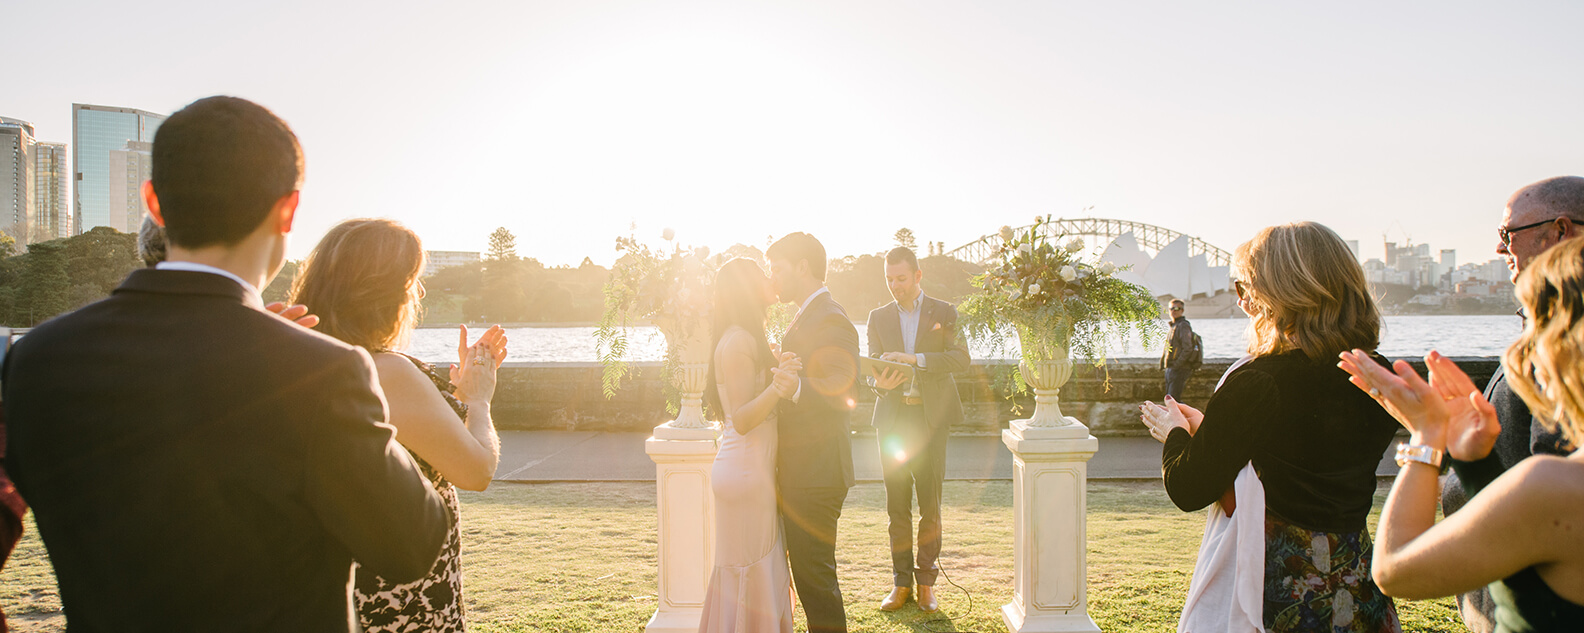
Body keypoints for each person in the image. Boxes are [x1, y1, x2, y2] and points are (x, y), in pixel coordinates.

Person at [0, 96, 451, 631]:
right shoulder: (322, 372)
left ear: (155, 203)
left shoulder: (35, 358)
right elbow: (414, 543)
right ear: (288, 210)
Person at [1139, 221, 1402, 632]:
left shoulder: (1258, 381)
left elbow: (1189, 487)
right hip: (1359, 580)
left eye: (1245, 286)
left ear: (1282, 291)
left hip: (1282, 590)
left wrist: (1175, 432)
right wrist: (1214, 428)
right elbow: (1302, 452)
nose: (1241, 299)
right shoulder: (1376, 373)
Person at [1338, 236, 1584, 633]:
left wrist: (1426, 436)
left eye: (1534, 321)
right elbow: (1532, 563)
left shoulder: (1556, 487)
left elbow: (1395, 571)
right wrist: (1475, 464)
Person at [289, 218, 508, 633]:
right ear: (383, 294)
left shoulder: (309, 360)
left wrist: (455, 395)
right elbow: (476, 470)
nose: (418, 294)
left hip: (344, 583)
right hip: (403, 594)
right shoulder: (384, 371)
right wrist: (479, 399)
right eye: (413, 283)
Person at [1438, 175, 1584, 632]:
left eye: (1507, 234)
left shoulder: (1569, 349)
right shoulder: (1545, 327)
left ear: (1560, 232)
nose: (1501, 250)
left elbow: (1395, 570)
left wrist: (1424, 443)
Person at [698, 258, 802, 632]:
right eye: (761, 274)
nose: (770, 277)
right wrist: (779, 385)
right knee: (751, 572)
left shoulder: (743, 336)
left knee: (751, 570)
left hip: (748, 471)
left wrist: (777, 367)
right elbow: (741, 419)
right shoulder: (740, 339)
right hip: (745, 473)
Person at [864, 246, 969, 614]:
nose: (895, 286)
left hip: (930, 421)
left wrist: (914, 360)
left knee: (930, 505)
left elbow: (960, 358)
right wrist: (880, 382)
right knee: (896, 506)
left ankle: (927, 584)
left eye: (901, 279)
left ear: (918, 276)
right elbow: (871, 372)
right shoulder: (877, 317)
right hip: (892, 421)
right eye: (889, 279)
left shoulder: (945, 311)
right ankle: (901, 583)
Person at [767, 232, 859, 633]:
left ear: (802, 266)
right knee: (810, 580)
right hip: (806, 470)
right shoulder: (810, 313)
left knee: (816, 582)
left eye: (778, 269)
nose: (774, 279)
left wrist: (797, 387)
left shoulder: (831, 316)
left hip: (817, 473)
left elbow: (844, 389)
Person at [1160, 298, 1196, 400]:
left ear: (1182, 310)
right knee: (1170, 399)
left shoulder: (1183, 325)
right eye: (1171, 308)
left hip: (1179, 369)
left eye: (1177, 308)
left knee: (1173, 400)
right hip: (1171, 368)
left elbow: (1187, 348)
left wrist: (1177, 365)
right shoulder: (1174, 326)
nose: (1173, 311)